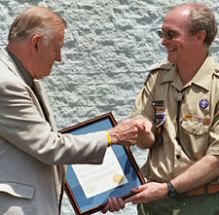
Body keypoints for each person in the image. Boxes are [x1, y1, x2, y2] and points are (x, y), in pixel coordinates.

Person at [0, 6, 149, 215]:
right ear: (36, 43)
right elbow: (49, 147)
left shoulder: (26, 80)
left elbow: (41, 149)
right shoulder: (7, 83)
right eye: (57, 48)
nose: (59, 58)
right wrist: (111, 136)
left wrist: (98, 196)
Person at [103, 3, 219, 215]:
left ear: (200, 37)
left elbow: (216, 159)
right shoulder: (158, 79)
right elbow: (146, 139)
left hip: (203, 205)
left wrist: (168, 189)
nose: (163, 41)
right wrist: (142, 130)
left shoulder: (217, 85)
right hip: (155, 205)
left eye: (171, 34)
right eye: (162, 33)